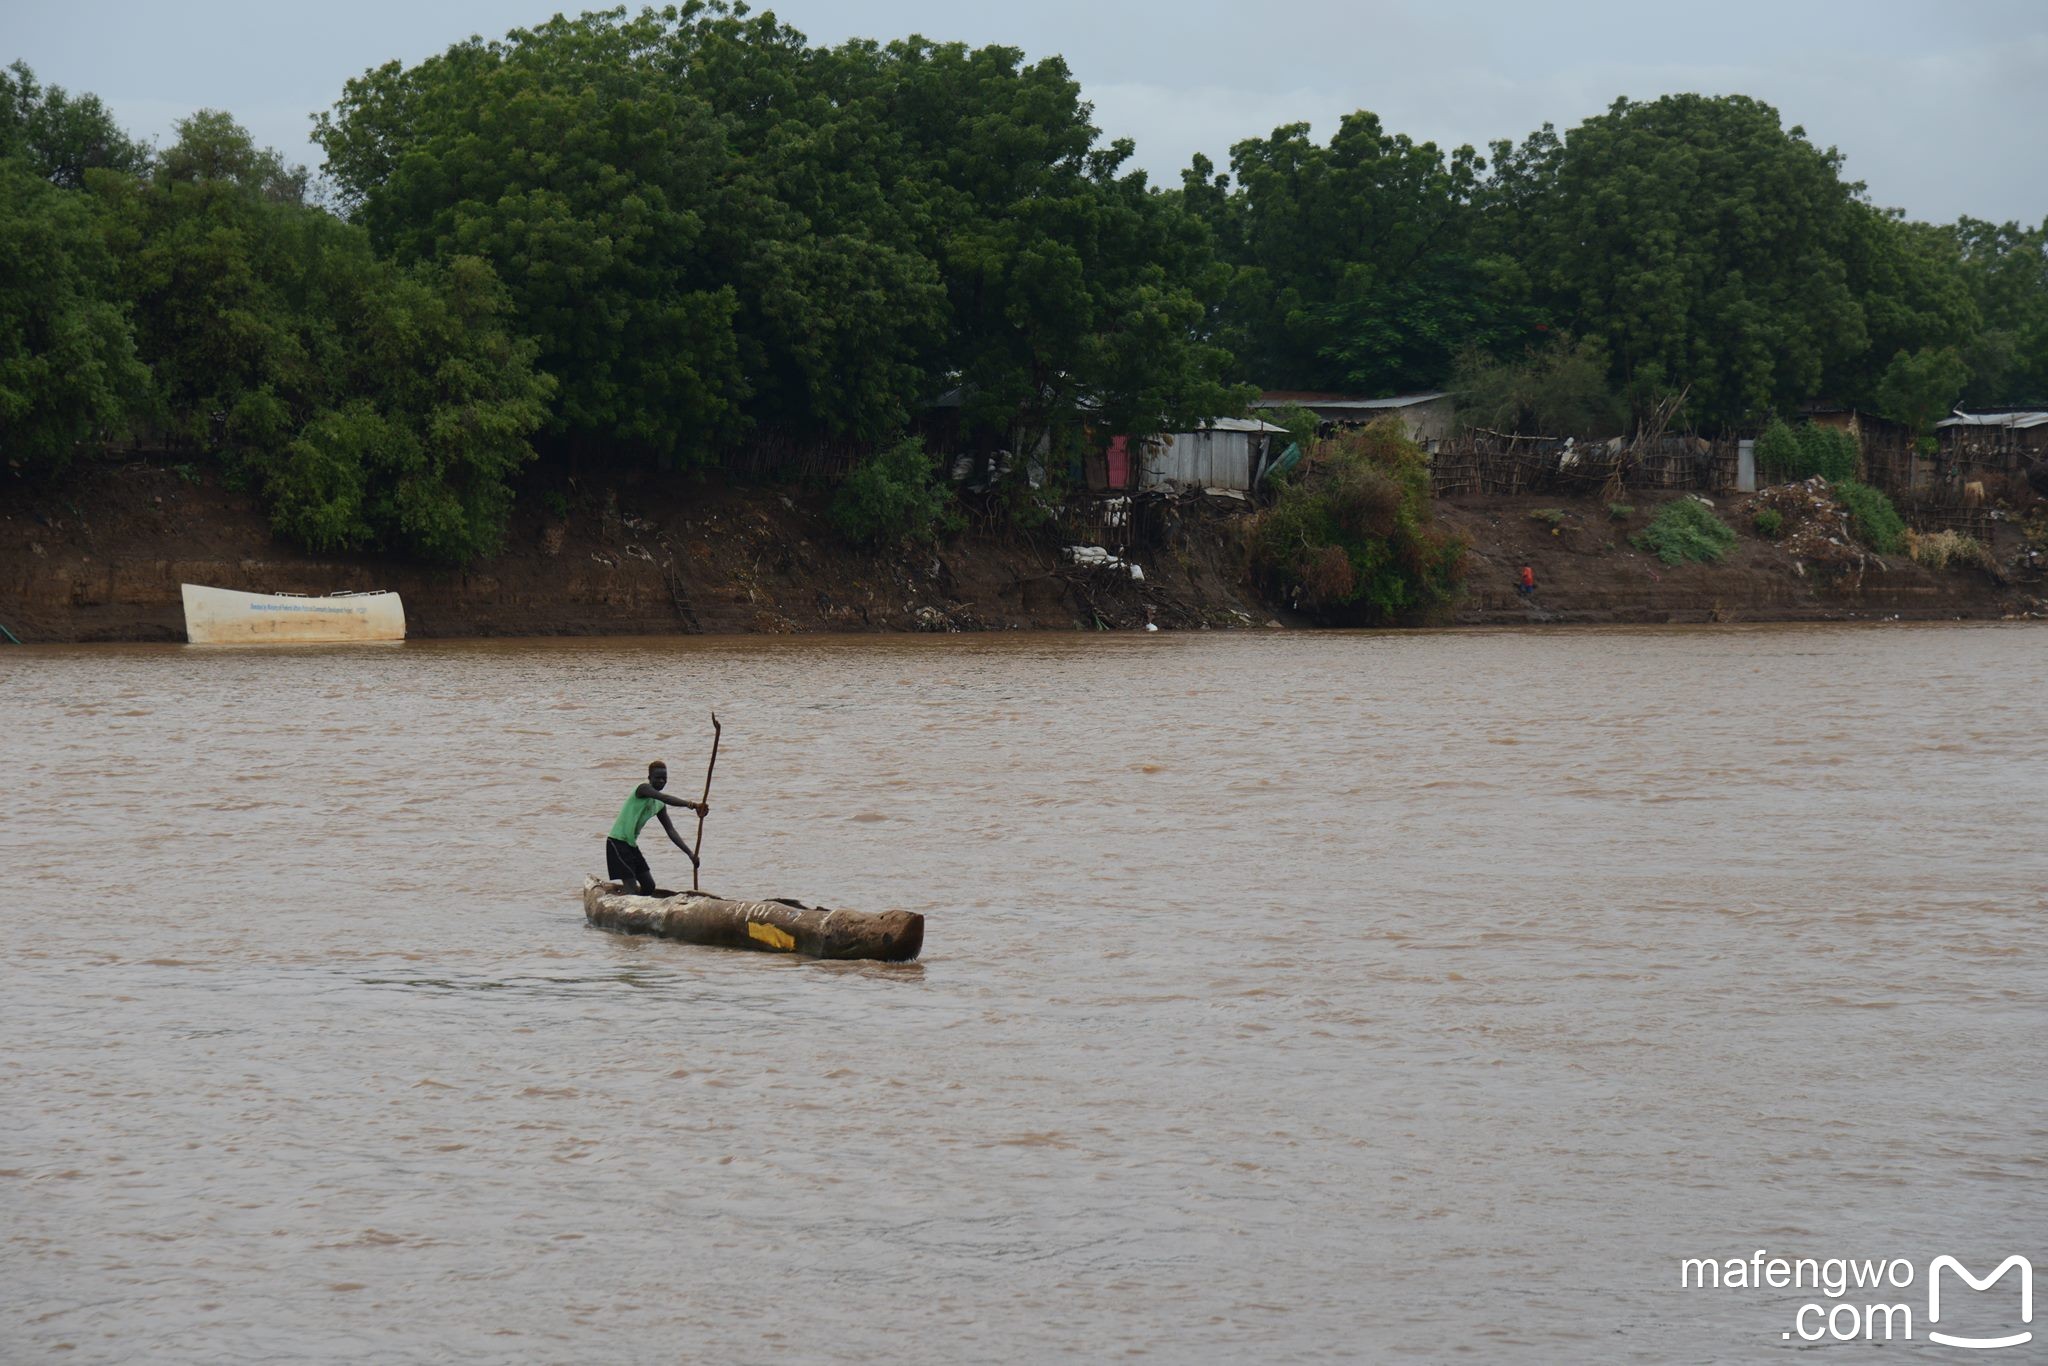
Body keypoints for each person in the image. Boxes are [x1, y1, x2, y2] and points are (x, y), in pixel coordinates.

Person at [605, 761, 708, 896]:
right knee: (630, 886)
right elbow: (665, 797)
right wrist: (693, 805)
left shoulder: (659, 805)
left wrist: (690, 854)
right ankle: (626, 909)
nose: (661, 781)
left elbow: (671, 831)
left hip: (631, 845)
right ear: (649, 778)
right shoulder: (643, 789)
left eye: (664, 778)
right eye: (657, 778)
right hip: (617, 842)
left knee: (649, 886)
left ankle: (637, 908)